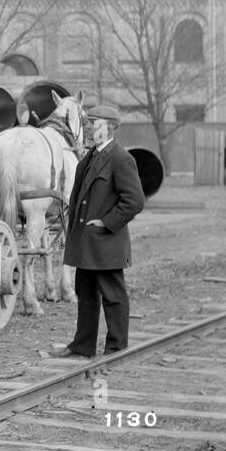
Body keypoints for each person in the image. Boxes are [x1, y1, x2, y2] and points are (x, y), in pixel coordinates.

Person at [50, 105, 145, 358]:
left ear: (111, 128)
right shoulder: (90, 156)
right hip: (86, 242)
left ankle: (116, 348)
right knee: (86, 295)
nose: (91, 127)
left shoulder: (121, 158)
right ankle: (83, 346)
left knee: (113, 296)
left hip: (106, 242)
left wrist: (106, 222)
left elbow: (134, 201)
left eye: (97, 123)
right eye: (90, 123)